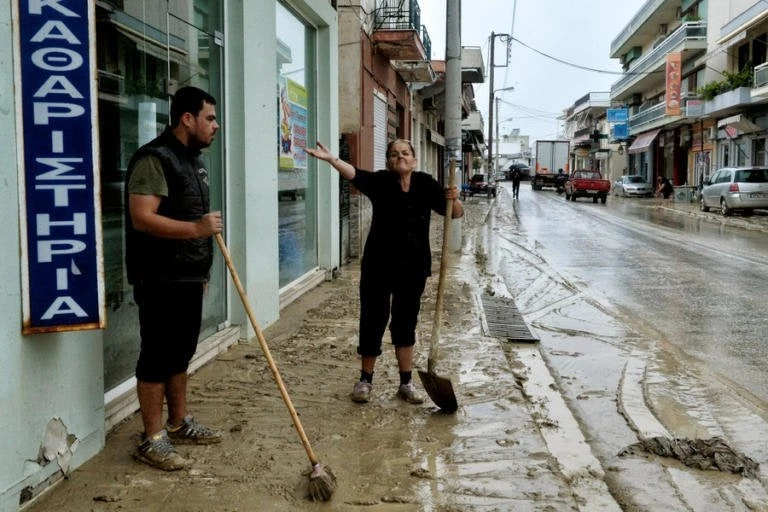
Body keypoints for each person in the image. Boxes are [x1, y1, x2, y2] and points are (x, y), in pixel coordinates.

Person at [305, 139, 464, 404]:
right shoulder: (381, 182)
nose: (399, 157)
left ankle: (406, 383)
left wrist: (454, 199)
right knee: (372, 320)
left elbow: (454, 214)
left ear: (414, 159)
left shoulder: (426, 184)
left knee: (405, 323)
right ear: (388, 161)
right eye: (393, 154)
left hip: (413, 268)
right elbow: (355, 173)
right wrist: (332, 160)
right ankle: (365, 380)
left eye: (405, 153)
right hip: (378, 266)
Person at [125, 86, 224, 471]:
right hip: (159, 276)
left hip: (187, 276)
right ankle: (151, 439)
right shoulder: (155, 159)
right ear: (187, 119)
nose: (214, 126)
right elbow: (142, 217)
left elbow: (190, 217)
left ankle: (179, 423)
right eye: (210, 118)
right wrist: (198, 230)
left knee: (180, 352)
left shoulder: (194, 161)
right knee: (156, 356)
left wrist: (202, 270)